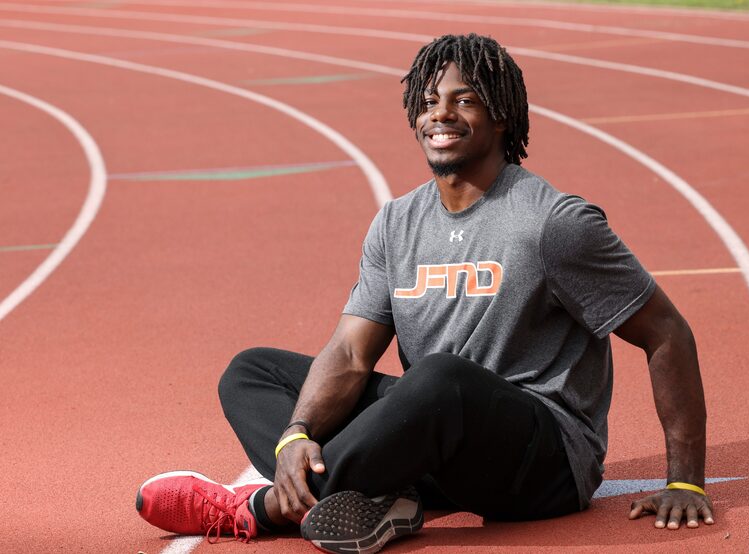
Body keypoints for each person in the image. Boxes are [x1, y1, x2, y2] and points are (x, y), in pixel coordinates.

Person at [136, 33, 714, 553]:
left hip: (543, 461)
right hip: (437, 446)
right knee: (254, 372)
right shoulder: (397, 222)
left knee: (440, 377)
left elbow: (666, 331)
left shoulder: (553, 223)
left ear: (503, 115)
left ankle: (259, 509)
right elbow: (350, 354)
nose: (441, 113)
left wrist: (684, 479)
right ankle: (382, 492)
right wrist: (295, 434)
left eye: (464, 99)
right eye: (429, 100)